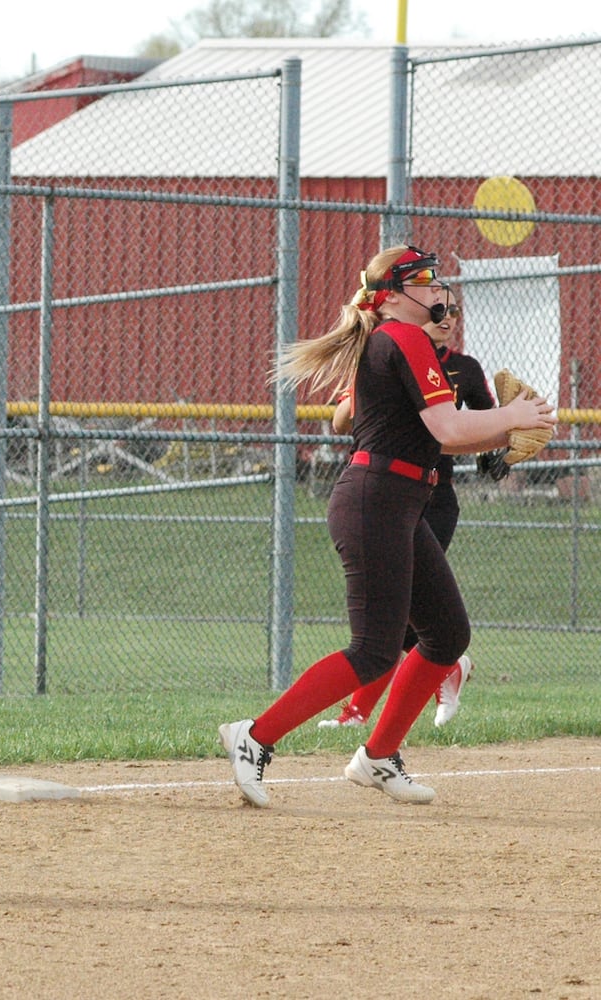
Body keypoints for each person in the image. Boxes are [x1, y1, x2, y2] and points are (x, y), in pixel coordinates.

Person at [220, 245, 554, 807]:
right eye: (423, 281)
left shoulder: (410, 341)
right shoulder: (401, 337)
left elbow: (438, 433)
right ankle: (253, 737)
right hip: (375, 500)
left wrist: (512, 432)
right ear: (394, 295)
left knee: (446, 636)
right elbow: (448, 429)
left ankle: (376, 756)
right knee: (374, 649)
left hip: (400, 502)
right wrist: (512, 417)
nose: (437, 291)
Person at [319, 304, 495, 730]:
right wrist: (360, 390)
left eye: (453, 310)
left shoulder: (464, 368)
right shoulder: (389, 354)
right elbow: (342, 420)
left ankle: (358, 715)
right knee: (404, 618)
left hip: (435, 497)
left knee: (402, 620)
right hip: (389, 492)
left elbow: (481, 421)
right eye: (438, 308)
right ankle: (444, 670)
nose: (447, 317)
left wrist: (498, 447)